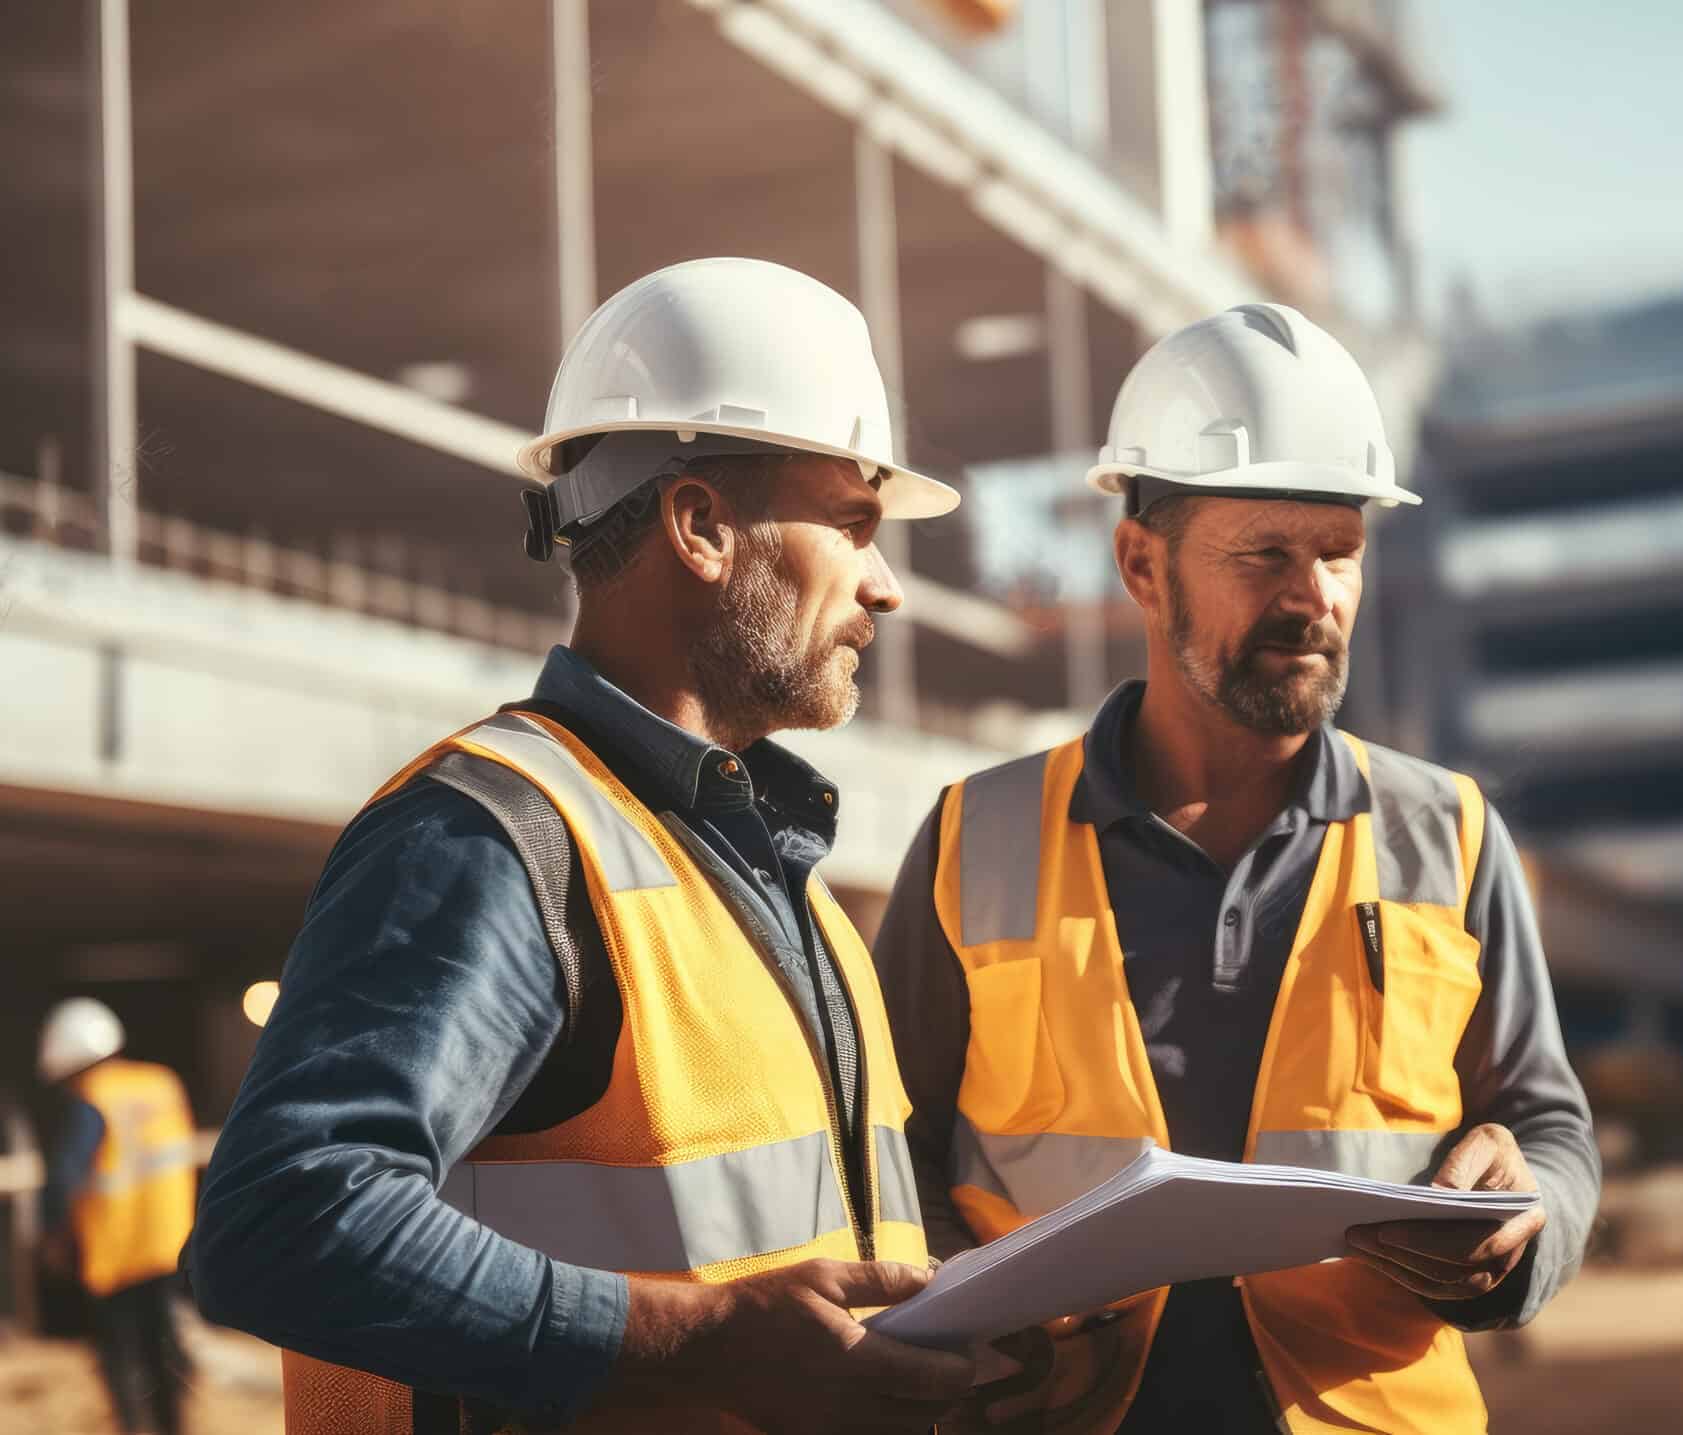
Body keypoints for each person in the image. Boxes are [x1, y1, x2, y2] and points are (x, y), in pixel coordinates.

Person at [187, 258, 973, 1435]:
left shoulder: (778, 874)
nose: (885, 586)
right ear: (701, 525)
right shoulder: (490, 840)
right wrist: (696, 1339)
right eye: (855, 524)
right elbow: (280, 1223)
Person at [874, 303, 1600, 1434]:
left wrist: (1526, 1219)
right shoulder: (978, 834)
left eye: (1339, 554)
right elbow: (888, 1151)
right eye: (1264, 553)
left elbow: (1548, 1128)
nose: (1313, 595)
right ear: (1141, 564)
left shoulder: (1447, 833)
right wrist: (969, 1292)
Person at [38, 998, 196, 1435]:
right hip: (169, 1245)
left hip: (117, 1252)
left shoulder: (93, 1099)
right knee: (165, 1354)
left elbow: (65, 1177)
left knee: (122, 1359)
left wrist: (53, 1234)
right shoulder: (161, 1083)